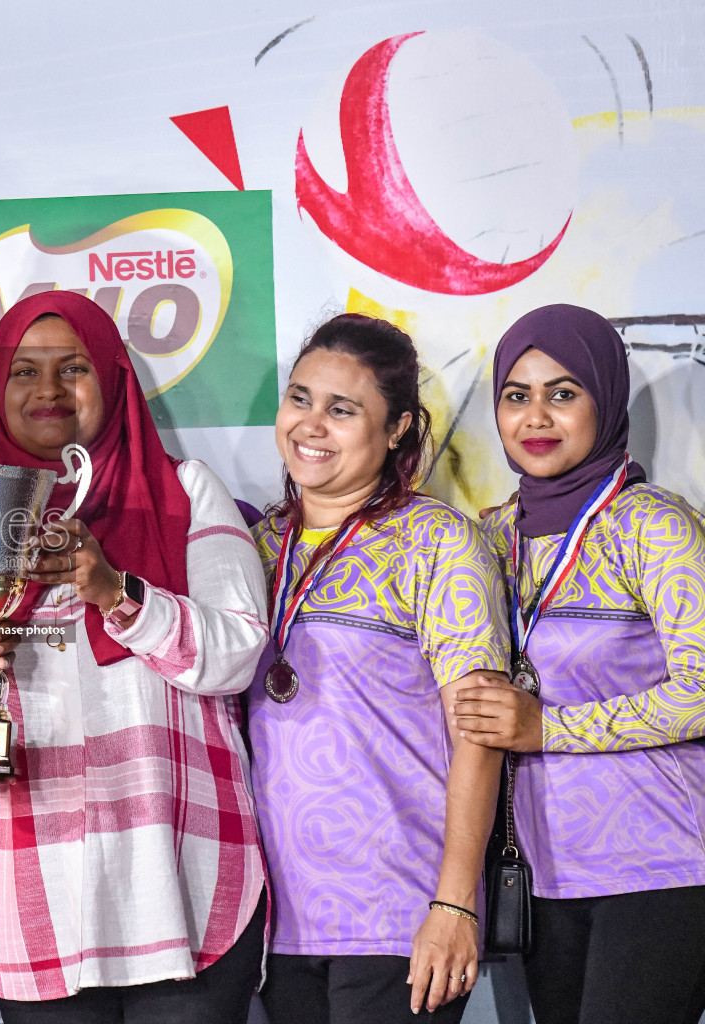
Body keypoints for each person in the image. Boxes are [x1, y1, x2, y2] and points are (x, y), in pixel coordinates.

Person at [0, 291, 270, 1022]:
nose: (48, 391)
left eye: (73, 368)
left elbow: (237, 654)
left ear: (113, 377)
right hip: (36, 904)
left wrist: (115, 592)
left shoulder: (187, 494)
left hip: (184, 891)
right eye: (23, 372)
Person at [246, 314, 509, 1023]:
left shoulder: (438, 542)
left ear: (396, 429)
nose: (311, 425)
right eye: (299, 398)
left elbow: (479, 734)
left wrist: (455, 901)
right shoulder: (253, 546)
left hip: (399, 914)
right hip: (274, 921)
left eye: (342, 409)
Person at [455, 304, 705, 1024]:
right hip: (541, 875)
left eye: (563, 393)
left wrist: (548, 728)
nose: (537, 416)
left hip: (658, 867)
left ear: (605, 399)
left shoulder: (652, 523)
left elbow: (700, 691)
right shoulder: (491, 537)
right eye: (516, 395)